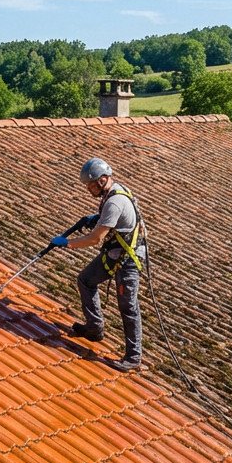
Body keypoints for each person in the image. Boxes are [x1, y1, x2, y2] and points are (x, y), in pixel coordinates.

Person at [50, 157, 147, 372]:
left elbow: (95, 239)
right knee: (85, 280)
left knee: (128, 305)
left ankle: (133, 357)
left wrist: (67, 243)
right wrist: (96, 217)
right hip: (114, 254)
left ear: (103, 180)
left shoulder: (114, 201)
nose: (88, 189)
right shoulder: (113, 193)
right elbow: (114, 220)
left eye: (91, 185)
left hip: (128, 259)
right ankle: (94, 329)